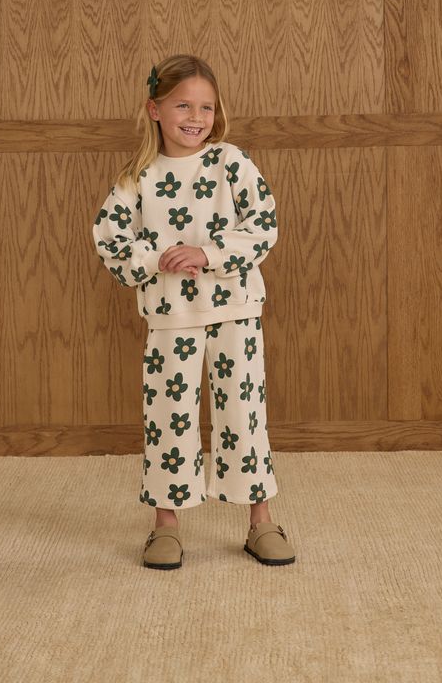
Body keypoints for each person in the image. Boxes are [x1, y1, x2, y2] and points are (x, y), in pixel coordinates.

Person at [92, 54, 296, 569]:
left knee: (244, 415)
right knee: (169, 417)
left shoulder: (231, 162)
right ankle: (166, 524)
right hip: (171, 318)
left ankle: (261, 521)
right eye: (183, 105)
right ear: (154, 109)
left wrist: (208, 254)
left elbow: (264, 224)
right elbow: (110, 241)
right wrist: (157, 257)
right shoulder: (136, 178)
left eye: (206, 107)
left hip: (235, 311)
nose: (196, 117)